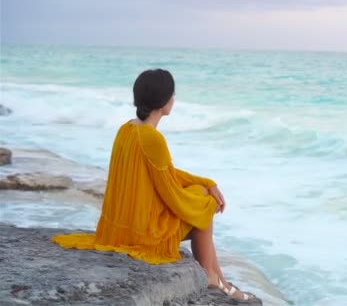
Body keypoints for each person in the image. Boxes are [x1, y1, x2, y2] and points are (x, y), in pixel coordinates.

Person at [52, 69, 260, 304]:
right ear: (164, 101)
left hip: (122, 226)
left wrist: (206, 183)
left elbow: (165, 173)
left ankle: (219, 279)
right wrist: (207, 199)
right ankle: (214, 278)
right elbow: (170, 193)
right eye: (172, 94)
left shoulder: (127, 129)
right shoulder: (152, 138)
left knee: (201, 196)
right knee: (203, 206)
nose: (174, 99)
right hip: (143, 233)